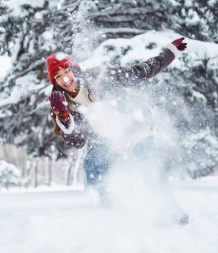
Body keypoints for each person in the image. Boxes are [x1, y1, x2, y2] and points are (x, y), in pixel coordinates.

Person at [47, 37, 189, 223]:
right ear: (55, 82)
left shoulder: (101, 77)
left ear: (74, 71)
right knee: (92, 166)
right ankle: (110, 216)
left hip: (133, 130)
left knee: (151, 165)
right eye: (58, 77)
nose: (65, 79)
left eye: (67, 72)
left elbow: (140, 73)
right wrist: (64, 117)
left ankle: (170, 212)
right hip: (105, 142)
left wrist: (168, 54)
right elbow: (78, 142)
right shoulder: (61, 104)